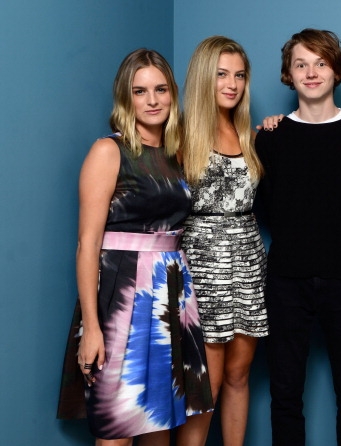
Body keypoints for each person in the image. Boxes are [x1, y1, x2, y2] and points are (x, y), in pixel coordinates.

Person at [57, 49, 213, 445]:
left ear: (172, 94)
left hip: (171, 297)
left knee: (158, 420)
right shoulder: (108, 151)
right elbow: (87, 244)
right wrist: (91, 328)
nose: (153, 100)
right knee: (116, 426)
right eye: (140, 91)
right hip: (122, 298)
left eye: (161, 89)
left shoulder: (179, 155)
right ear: (126, 98)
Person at [255, 29, 341, 446]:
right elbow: (264, 208)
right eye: (300, 64)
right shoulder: (269, 137)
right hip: (287, 280)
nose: (311, 72)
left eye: (321, 63)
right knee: (285, 394)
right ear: (288, 75)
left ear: (336, 71)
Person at [180, 36, 268, 446]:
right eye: (221, 74)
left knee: (239, 374)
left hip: (248, 259)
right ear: (203, 77)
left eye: (239, 75)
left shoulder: (250, 132)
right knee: (205, 385)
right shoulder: (178, 133)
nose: (232, 84)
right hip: (202, 262)